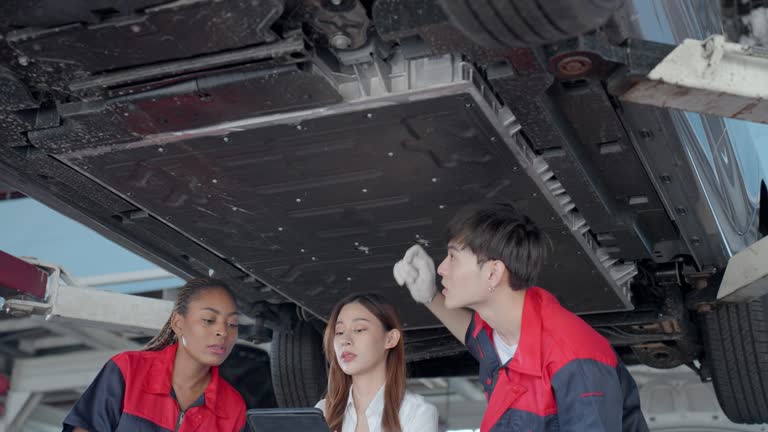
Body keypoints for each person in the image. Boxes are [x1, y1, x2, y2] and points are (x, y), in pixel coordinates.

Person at [393, 203, 648, 432]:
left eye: (453, 257)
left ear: (493, 273)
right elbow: (475, 337)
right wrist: (428, 296)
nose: (441, 268)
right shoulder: (502, 328)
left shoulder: (575, 361)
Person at [62, 278, 247, 432]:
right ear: (178, 323)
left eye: (232, 324)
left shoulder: (233, 407)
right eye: (209, 320)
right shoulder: (128, 370)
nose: (223, 331)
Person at [315, 293, 438, 432]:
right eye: (339, 332)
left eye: (359, 329)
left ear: (391, 339)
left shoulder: (417, 412)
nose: (345, 340)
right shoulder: (323, 412)